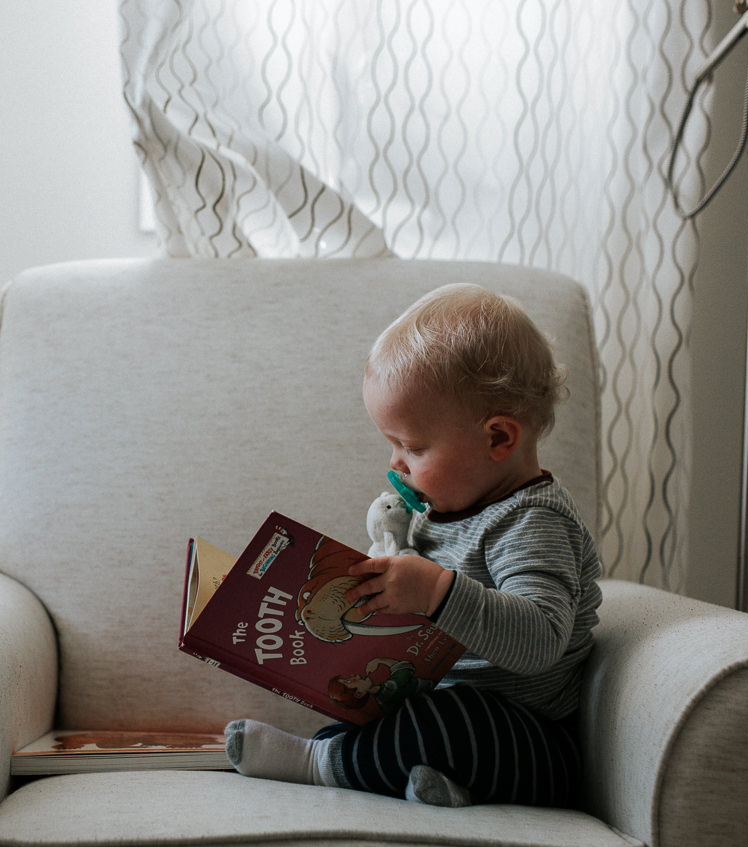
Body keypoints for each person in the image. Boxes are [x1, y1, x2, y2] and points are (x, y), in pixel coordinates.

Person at [224, 283, 602, 808]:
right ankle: (438, 785)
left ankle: (318, 763)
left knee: (453, 720)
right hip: (438, 716)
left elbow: (539, 639)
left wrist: (435, 591)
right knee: (368, 705)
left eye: (413, 446)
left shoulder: (533, 521)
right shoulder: (437, 512)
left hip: (529, 741)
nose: (396, 463)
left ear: (498, 439)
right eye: (392, 444)